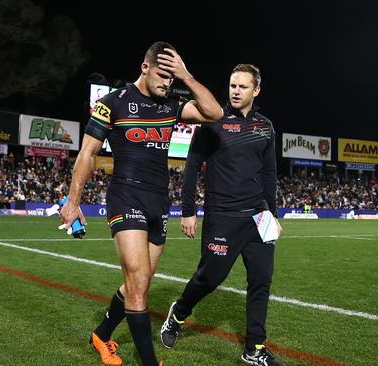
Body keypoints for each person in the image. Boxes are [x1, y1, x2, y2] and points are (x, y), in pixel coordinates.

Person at [59, 41, 223, 366]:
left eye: (171, 78)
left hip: (158, 202)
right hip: (125, 195)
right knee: (136, 285)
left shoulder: (171, 105)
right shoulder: (112, 104)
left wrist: (186, 76)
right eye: (162, 75)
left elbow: (214, 113)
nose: (167, 83)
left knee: (141, 284)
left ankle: (102, 335)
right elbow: (87, 153)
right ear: (144, 67)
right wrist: (73, 201)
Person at [160, 64, 284, 366]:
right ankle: (177, 314)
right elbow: (191, 167)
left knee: (261, 281)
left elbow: (269, 173)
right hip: (223, 217)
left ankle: (254, 348)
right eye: (232, 86)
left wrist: (273, 213)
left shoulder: (265, 126)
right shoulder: (212, 120)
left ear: (256, 90)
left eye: (243, 86)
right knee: (209, 279)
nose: (236, 91)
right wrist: (188, 211)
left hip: (259, 217)